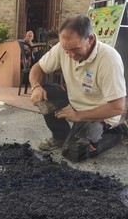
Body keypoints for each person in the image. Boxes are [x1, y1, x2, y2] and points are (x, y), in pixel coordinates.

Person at [29, 14, 127, 162]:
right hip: (75, 104)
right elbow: (37, 68)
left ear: (90, 39)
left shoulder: (109, 60)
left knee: (74, 153)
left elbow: (117, 107)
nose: (70, 55)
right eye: (66, 50)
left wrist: (79, 116)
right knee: (46, 93)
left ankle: (120, 132)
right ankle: (60, 137)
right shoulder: (63, 48)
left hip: (101, 115)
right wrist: (36, 86)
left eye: (75, 49)